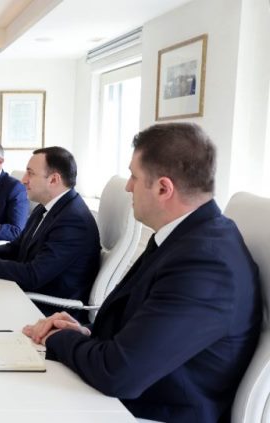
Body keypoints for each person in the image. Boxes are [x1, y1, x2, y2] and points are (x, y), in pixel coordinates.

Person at [23, 123, 261, 423]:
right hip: (128, 396)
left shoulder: (207, 264)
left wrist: (58, 338)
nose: (128, 188)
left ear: (163, 188)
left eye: (134, 177)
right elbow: (142, 332)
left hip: (149, 411)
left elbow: (118, 374)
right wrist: (84, 332)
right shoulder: (185, 237)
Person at [0, 146, 100, 318]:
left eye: (30, 173)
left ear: (54, 179)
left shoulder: (73, 221)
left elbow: (33, 276)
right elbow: (17, 248)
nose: (23, 180)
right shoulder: (45, 207)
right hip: (25, 295)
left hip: (48, 312)